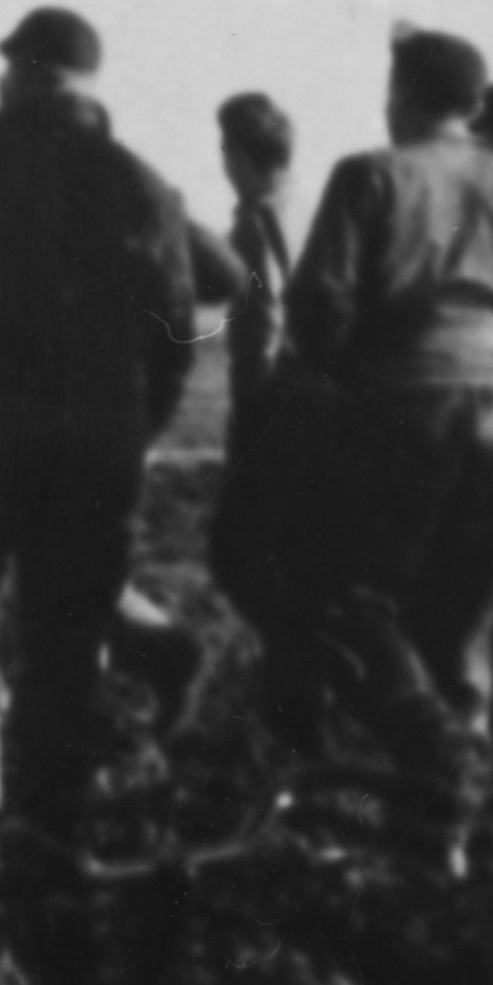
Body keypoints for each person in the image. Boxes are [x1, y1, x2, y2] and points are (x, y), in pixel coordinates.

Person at [0, 8, 208, 948]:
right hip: (98, 431)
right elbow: (178, 328)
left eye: (9, 67)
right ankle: (48, 838)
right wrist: (137, 432)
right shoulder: (142, 185)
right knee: (66, 634)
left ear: (26, 75)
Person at [273, 28, 493, 861]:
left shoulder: (372, 173)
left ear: (401, 93)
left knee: (352, 600)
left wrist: (342, 383)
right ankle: (440, 836)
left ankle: (430, 749)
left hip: (408, 406)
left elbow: (319, 306)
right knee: (464, 625)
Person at [205, 87, 309, 666]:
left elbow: (261, 321)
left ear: (237, 155)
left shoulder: (255, 220)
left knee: (238, 554)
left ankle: (306, 659)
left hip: (271, 403)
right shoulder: (311, 204)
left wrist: (249, 416)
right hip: (322, 401)